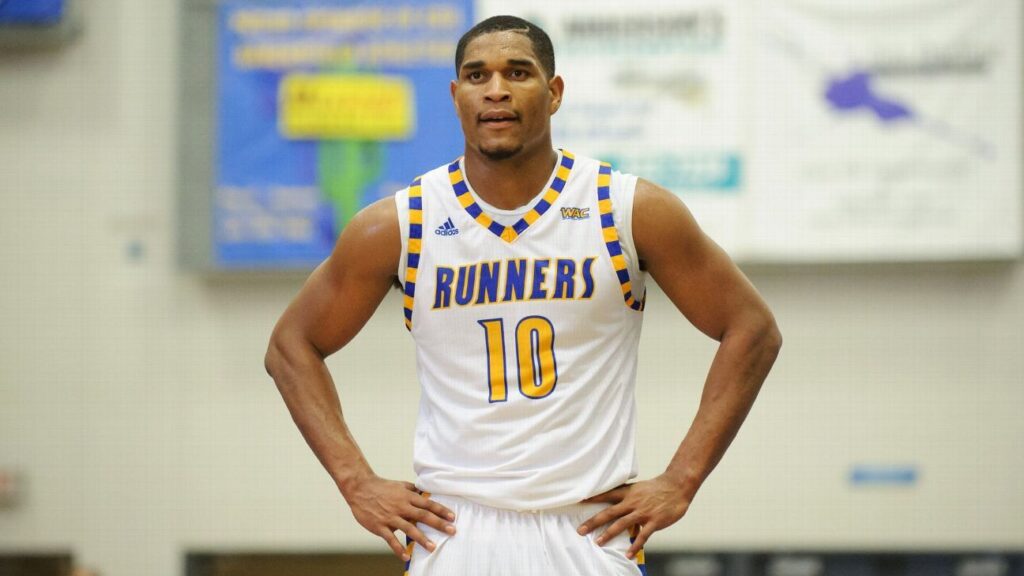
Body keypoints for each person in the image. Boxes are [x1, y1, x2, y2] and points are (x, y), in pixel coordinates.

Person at [264, 15, 781, 576]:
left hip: (588, 525)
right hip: (456, 528)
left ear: (554, 92)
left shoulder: (625, 208)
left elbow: (752, 329)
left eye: (517, 72)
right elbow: (291, 346)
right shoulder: (401, 222)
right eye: (477, 75)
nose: (496, 90)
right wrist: (356, 481)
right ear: (456, 96)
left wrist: (682, 480)